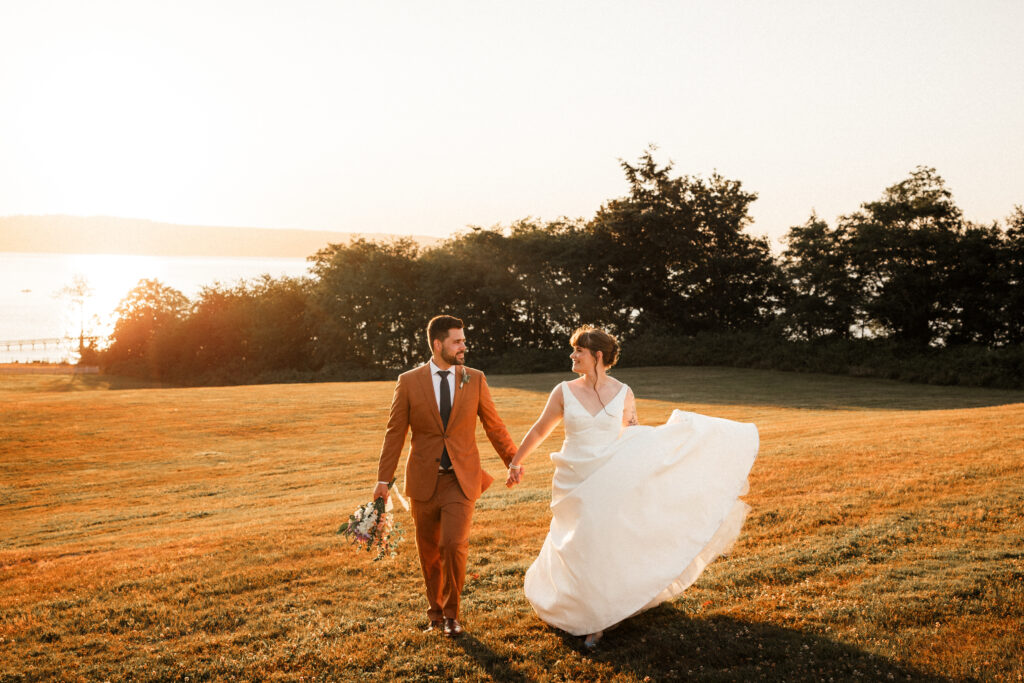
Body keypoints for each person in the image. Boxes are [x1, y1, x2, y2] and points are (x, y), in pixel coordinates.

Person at [506, 326, 758, 649]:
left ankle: (597, 619)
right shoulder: (563, 391)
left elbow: (635, 434)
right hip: (574, 479)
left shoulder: (624, 392)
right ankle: (577, 605)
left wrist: (668, 444)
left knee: (600, 545)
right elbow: (541, 429)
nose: (572, 356)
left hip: (610, 478)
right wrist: (516, 461)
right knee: (577, 545)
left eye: (578, 351)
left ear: (597, 356)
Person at [374, 314, 518, 638]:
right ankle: (435, 615)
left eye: (463, 340)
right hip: (423, 481)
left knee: (453, 544)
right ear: (438, 345)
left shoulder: (475, 379)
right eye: (457, 341)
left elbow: (494, 425)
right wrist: (384, 480)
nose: (464, 346)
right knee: (428, 552)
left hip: (460, 479)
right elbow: (395, 432)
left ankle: (453, 615)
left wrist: (513, 460)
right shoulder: (409, 381)